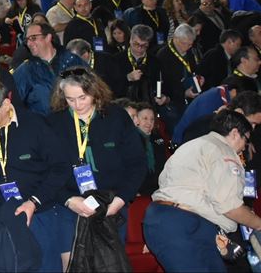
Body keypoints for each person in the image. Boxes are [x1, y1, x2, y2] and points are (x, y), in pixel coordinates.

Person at [0, 80, 70, 272]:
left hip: (39, 214)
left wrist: (34, 202)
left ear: (6, 104)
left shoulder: (35, 124)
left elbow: (61, 167)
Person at [144, 110, 261, 272]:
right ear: (235, 133)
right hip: (185, 225)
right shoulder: (223, 151)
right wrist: (258, 224)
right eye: (246, 140)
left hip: (163, 219)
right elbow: (229, 207)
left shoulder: (192, 146)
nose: (244, 147)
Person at [48, 67, 146, 253]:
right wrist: (68, 200)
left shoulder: (116, 117)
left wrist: (120, 200)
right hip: (71, 205)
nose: (77, 105)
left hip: (112, 202)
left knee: (110, 263)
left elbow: (137, 163)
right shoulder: (55, 123)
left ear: (94, 91)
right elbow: (47, 169)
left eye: (82, 97)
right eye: (70, 99)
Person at [13, 22, 86, 116]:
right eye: (27, 40)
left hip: (74, 123)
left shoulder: (73, 61)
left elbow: (91, 89)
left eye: (33, 38)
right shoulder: (25, 71)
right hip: (42, 127)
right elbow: (15, 104)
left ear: (48, 37)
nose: (29, 43)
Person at [156, 23, 202, 125]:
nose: (188, 47)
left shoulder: (190, 51)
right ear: (176, 38)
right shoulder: (163, 56)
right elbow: (165, 84)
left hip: (190, 98)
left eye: (191, 44)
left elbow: (193, 69)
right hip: (172, 103)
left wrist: (198, 79)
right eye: (185, 43)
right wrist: (184, 93)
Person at [133, 103, 168, 196]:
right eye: (145, 119)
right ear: (136, 119)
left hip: (158, 187)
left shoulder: (158, 139)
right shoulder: (131, 140)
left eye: (152, 119)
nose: (149, 123)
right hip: (138, 189)